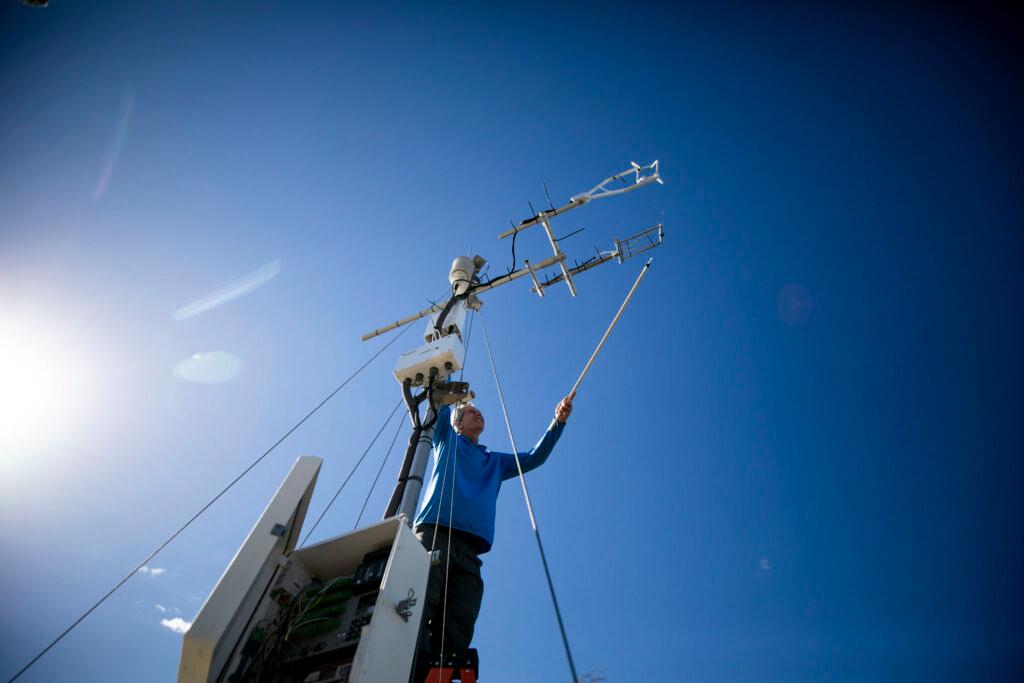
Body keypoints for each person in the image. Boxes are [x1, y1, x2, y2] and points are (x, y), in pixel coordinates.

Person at [413, 391, 576, 667]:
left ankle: (437, 673)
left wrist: (557, 422)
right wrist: (445, 359)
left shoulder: (496, 462)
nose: (478, 413)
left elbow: (535, 458)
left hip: (470, 551)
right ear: (457, 424)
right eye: (470, 412)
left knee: (461, 617)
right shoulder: (445, 439)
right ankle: (404, 664)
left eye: (479, 412)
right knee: (417, 603)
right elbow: (439, 396)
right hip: (435, 534)